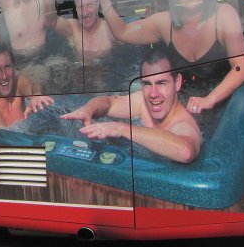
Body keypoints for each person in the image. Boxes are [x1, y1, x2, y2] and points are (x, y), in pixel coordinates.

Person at [94, 0, 244, 116]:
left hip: (224, 111)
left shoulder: (223, 14)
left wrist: (209, 99)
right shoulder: (165, 22)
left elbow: (242, 67)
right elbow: (122, 32)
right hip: (183, 112)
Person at [60, 44, 202, 164]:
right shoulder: (142, 102)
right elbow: (109, 102)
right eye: (147, 84)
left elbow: (185, 151)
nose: (153, 93)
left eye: (161, 83)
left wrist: (122, 129)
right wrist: (87, 109)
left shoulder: (184, 124)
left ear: (177, 83)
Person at [45, 0, 116, 61]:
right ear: (76, 9)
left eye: (89, 5)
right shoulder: (73, 28)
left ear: (97, 4)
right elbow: (51, 21)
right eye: (80, 7)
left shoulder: (111, 30)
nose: (85, 12)